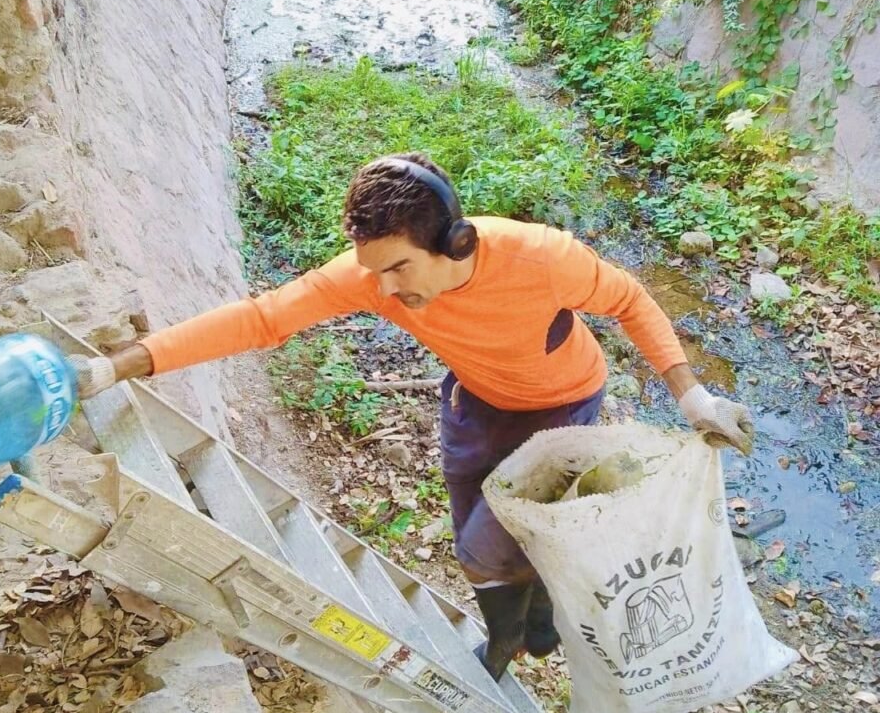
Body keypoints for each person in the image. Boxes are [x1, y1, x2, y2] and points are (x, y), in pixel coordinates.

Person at [76, 154, 753, 681]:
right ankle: (537, 618)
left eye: (398, 270)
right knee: (487, 534)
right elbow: (264, 319)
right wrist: (117, 365)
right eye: (374, 275)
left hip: (562, 404)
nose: (386, 292)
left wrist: (692, 396)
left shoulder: (541, 258)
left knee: (483, 547)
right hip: (475, 403)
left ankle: (510, 639)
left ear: (454, 242)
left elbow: (632, 300)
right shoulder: (378, 278)